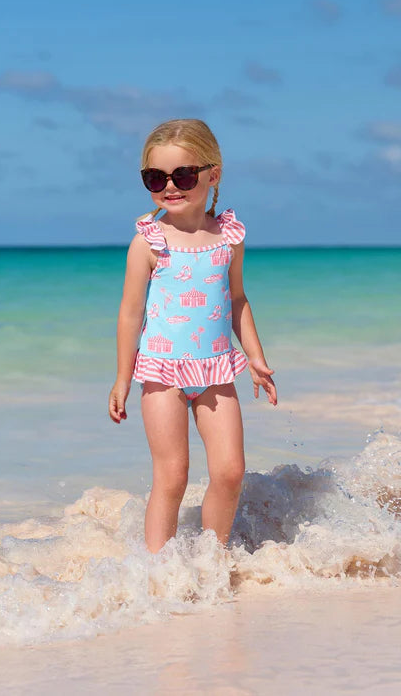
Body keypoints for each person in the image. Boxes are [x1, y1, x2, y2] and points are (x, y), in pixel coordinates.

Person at [108, 118, 277, 553]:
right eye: (155, 178)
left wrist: (255, 358)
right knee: (173, 475)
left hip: (216, 368)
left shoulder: (229, 238)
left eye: (182, 175)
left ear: (212, 175)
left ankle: (210, 560)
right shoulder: (148, 243)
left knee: (230, 471)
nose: (170, 186)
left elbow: (237, 300)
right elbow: (131, 314)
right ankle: (156, 573)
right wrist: (123, 378)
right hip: (161, 372)